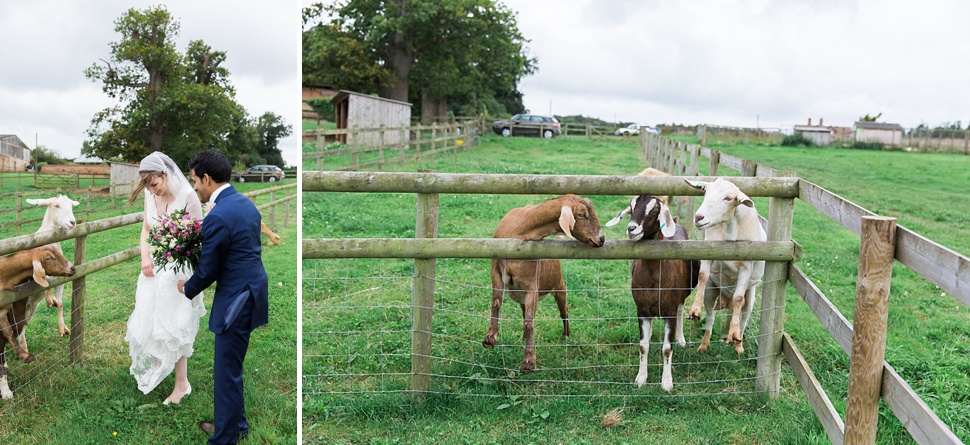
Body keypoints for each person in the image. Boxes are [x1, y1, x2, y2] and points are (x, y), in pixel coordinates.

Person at [178, 150, 269, 444]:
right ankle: (236, 426)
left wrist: (186, 287)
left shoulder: (217, 215)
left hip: (237, 300)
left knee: (226, 370)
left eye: (195, 181)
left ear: (207, 178)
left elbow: (209, 270)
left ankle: (225, 438)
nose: (194, 188)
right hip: (252, 289)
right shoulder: (246, 204)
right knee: (232, 366)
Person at [125, 151, 206, 405]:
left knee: (174, 323)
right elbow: (146, 230)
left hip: (178, 272)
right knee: (151, 320)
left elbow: (197, 238)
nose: (153, 191)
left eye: (155, 185)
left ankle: (182, 384)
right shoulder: (150, 195)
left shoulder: (188, 196)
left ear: (165, 174)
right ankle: (160, 363)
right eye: (149, 187)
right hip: (153, 270)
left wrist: (175, 254)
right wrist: (145, 258)